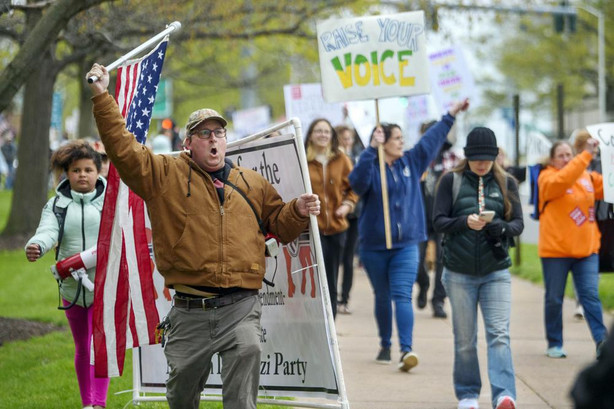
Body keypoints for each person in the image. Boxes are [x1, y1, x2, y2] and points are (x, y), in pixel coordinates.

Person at [86, 63, 320, 409]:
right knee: (181, 396)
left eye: (219, 133)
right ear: (188, 142)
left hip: (241, 305)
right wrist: (102, 96)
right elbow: (124, 152)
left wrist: (297, 210)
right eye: (205, 133)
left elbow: (280, 225)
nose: (213, 139)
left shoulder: (251, 182)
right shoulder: (163, 174)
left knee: (248, 355)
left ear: (226, 140)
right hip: (189, 309)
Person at [349, 99, 469, 372]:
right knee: (382, 295)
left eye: (403, 138)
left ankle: (406, 349)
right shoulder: (370, 165)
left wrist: (449, 115)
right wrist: (370, 150)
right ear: (383, 142)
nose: (402, 142)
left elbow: (431, 139)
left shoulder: (412, 162)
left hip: (406, 244)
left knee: (402, 294)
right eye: (397, 138)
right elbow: (356, 183)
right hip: (374, 246)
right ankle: (384, 344)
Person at [433, 127, 523, 409]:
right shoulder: (451, 181)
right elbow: (437, 221)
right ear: (466, 156)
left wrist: (501, 228)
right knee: (464, 339)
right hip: (458, 273)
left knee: (499, 334)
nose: (481, 164)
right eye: (475, 158)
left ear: (495, 156)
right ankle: (468, 394)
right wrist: (464, 222)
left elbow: (518, 224)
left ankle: (504, 395)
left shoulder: (507, 182)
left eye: (486, 158)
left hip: (495, 271)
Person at [25, 140, 108, 409]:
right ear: (67, 174)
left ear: (98, 172)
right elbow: (48, 230)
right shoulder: (57, 204)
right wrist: (37, 245)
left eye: (88, 169)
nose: (82, 175)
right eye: (76, 170)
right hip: (71, 287)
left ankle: (99, 403)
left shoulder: (110, 201)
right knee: (83, 347)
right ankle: (87, 404)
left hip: (104, 285)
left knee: (100, 346)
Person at [537, 138, 607, 360]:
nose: (567, 159)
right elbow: (563, 180)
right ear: (551, 159)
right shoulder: (547, 178)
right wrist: (584, 156)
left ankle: (602, 342)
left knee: (590, 296)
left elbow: (608, 186)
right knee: (554, 298)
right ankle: (555, 343)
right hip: (555, 252)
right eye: (561, 155)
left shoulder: (587, 177)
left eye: (569, 154)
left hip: (587, 251)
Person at [305, 119, 358, 319]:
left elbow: (353, 187)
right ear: (310, 134)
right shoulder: (302, 159)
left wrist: (347, 205)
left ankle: (331, 332)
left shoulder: (341, 159)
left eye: (326, 131)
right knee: (314, 283)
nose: (323, 135)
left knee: (331, 280)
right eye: (318, 131)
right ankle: (315, 328)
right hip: (312, 228)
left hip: (336, 229)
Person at [415, 119, 459, 319]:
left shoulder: (452, 158)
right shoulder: (416, 157)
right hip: (419, 218)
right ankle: (423, 284)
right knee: (416, 260)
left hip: (444, 218)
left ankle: (438, 301)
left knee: (443, 260)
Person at [335, 124, 364, 314]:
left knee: (348, 257)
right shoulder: (333, 160)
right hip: (336, 215)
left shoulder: (354, 158)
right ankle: (333, 296)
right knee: (335, 257)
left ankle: (344, 298)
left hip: (353, 215)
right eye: (345, 139)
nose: (348, 142)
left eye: (350, 139)